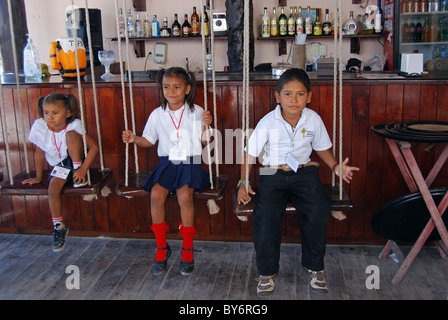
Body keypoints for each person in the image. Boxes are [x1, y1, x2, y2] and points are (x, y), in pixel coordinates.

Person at [237, 68, 359, 296]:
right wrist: (242, 182)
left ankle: (314, 267)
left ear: (309, 97)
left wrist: (335, 167)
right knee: (266, 214)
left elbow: (322, 149)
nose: (294, 100)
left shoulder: (313, 119)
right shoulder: (267, 122)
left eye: (300, 94)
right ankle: (266, 271)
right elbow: (250, 153)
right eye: (288, 94)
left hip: (304, 172)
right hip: (272, 173)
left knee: (317, 208)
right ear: (277, 97)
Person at [122, 67, 212, 276]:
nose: (171, 91)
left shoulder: (197, 112)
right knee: (155, 194)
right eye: (166, 87)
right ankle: (161, 246)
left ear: (187, 89)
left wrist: (207, 125)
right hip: (168, 163)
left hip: (190, 161)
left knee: (184, 195)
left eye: (177, 87)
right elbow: (148, 140)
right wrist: (134, 139)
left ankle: (187, 248)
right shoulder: (157, 114)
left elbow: (205, 142)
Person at [22, 93, 99, 252]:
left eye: (55, 113)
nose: (50, 117)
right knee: (52, 189)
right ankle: (59, 226)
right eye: (46, 112)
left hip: (76, 161)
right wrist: (38, 176)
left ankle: (79, 175)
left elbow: (94, 147)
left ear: (68, 113)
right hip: (60, 167)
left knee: (71, 135)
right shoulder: (42, 128)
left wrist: (83, 168)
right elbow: (39, 153)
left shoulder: (73, 126)